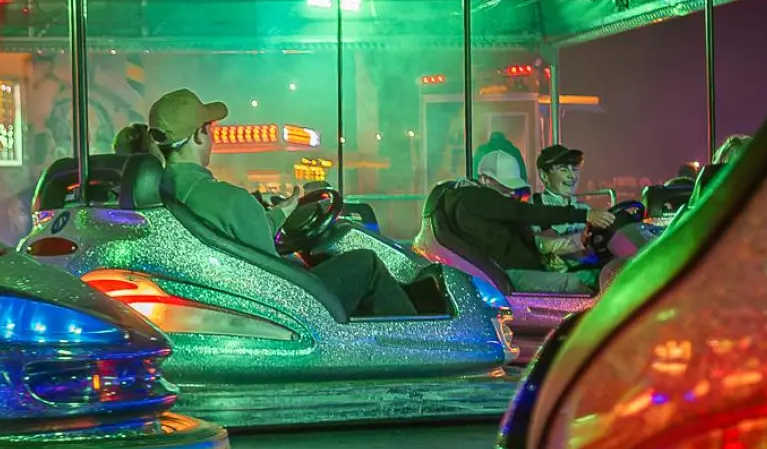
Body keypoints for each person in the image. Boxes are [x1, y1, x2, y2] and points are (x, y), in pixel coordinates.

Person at [126, 89, 419, 318]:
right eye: (210, 128)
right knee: (364, 263)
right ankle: (418, 351)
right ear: (200, 134)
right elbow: (272, 275)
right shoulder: (228, 200)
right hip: (278, 306)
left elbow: (241, 238)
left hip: (230, 292)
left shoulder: (169, 192)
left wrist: (281, 213)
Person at [449, 149, 615, 293]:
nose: (511, 194)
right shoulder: (476, 199)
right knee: (574, 284)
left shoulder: (483, 204)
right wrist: (582, 219)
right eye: (504, 187)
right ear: (485, 180)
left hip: (525, 271)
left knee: (604, 277)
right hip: (509, 277)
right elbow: (524, 213)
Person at [530, 144, 591, 268]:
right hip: (554, 281)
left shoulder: (584, 208)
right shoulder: (536, 205)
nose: (572, 176)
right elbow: (545, 243)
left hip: (590, 272)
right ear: (544, 176)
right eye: (563, 169)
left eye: (574, 169)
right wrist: (581, 240)